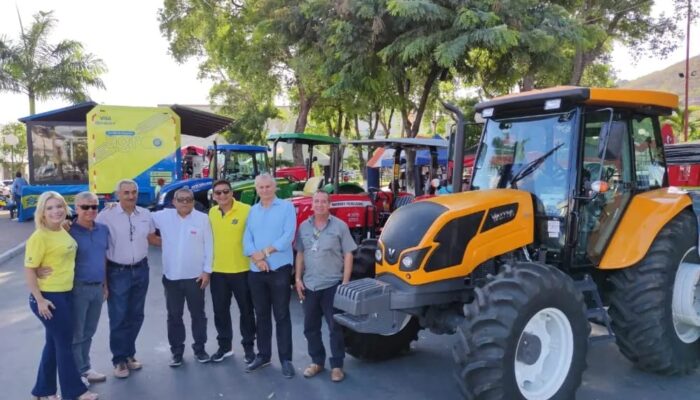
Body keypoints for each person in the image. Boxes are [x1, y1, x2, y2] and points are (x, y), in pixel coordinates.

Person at [24, 191, 98, 400]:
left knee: (53, 344)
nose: (55, 211)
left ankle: (43, 391)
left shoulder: (62, 229)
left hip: (65, 294)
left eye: (59, 206)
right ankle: (75, 392)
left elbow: (88, 216)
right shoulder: (39, 236)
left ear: (65, 208)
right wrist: (40, 300)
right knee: (64, 344)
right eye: (49, 208)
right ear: (42, 212)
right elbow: (29, 269)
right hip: (49, 298)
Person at [294, 190, 356, 382]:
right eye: (316, 201)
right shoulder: (304, 227)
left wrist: (345, 283)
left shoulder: (340, 227)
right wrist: (297, 279)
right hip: (310, 285)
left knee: (334, 327)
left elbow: (348, 254)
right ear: (312, 204)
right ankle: (317, 362)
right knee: (310, 327)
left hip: (332, 285)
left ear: (329, 205)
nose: (319, 204)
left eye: (323, 201)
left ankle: (337, 366)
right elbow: (300, 254)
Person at [96, 179, 155, 379]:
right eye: (126, 193)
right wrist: (104, 281)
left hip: (141, 270)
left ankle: (129, 354)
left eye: (133, 192)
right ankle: (119, 359)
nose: (130, 196)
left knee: (136, 315)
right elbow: (99, 247)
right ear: (118, 194)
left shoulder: (146, 215)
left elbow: (153, 238)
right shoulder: (106, 216)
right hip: (117, 272)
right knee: (119, 316)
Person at [151, 187, 213, 366]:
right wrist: (114, 207)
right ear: (174, 202)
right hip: (171, 278)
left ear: (194, 202)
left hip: (196, 277)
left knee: (198, 315)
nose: (185, 202)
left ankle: (200, 349)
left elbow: (209, 246)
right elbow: (139, 215)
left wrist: (207, 271)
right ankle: (177, 352)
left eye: (189, 199)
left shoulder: (202, 219)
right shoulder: (163, 216)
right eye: (181, 199)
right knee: (174, 316)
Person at [243, 173, 297, 378]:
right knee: (262, 315)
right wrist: (257, 259)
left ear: (275, 188)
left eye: (268, 187)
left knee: (282, 315)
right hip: (257, 270)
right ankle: (263, 356)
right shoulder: (253, 211)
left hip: (279, 269)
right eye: (260, 187)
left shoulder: (286, 207)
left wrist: (265, 253)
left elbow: (288, 235)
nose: (264, 190)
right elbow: (247, 237)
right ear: (256, 189)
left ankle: (286, 360)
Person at [208, 180, 256, 364]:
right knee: (220, 311)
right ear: (213, 196)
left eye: (225, 192)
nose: (222, 196)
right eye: (218, 193)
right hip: (218, 272)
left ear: (231, 193)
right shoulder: (211, 213)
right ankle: (225, 347)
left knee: (246, 311)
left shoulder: (247, 210)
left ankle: (249, 348)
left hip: (242, 270)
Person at [70, 192, 110, 385]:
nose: (90, 210)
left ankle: (85, 368)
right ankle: (75, 373)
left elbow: (102, 257)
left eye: (94, 206)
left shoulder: (103, 229)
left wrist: (105, 284)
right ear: (76, 208)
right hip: (77, 289)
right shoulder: (68, 231)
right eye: (85, 207)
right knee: (76, 333)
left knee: (89, 331)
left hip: (97, 288)